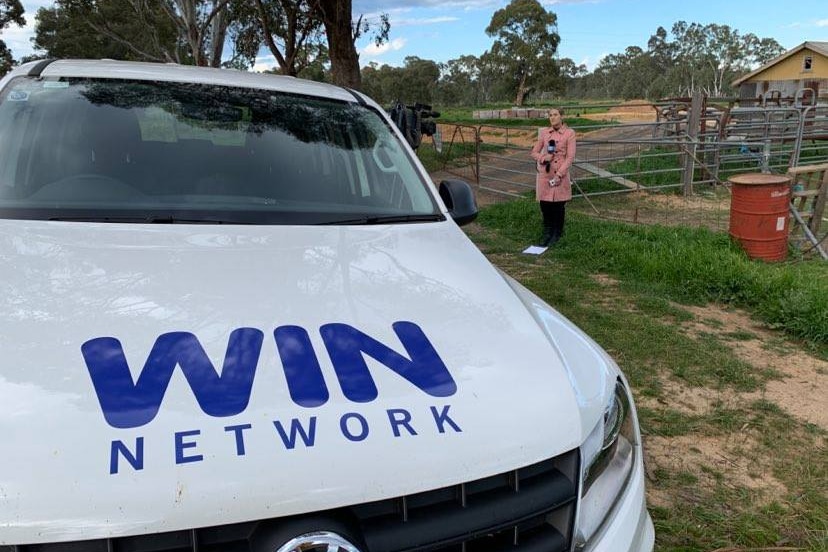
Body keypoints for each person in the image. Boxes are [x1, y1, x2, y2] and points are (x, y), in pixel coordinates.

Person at [530, 108, 576, 247]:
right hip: (546, 174)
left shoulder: (570, 133)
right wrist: (544, 157)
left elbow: (570, 157)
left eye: (555, 115)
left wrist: (560, 174)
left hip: (560, 174)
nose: (552, 118)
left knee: (558, 205)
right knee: (545, 204)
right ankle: (547, 232)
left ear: (562, 116)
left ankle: (557, 233)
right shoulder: (544, 133)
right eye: (550, 115)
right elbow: (534, 152)